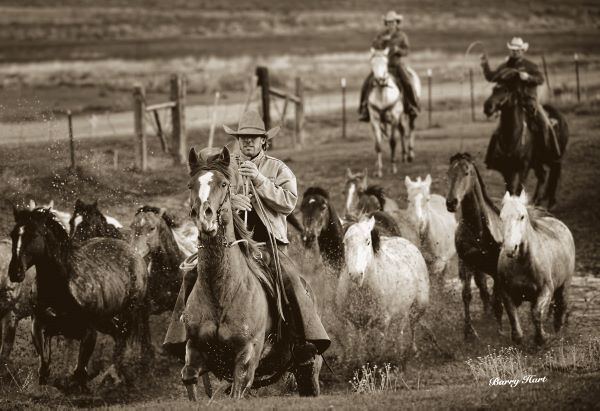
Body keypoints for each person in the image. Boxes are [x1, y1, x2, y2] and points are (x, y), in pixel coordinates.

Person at [163, 110, 330, 377]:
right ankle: (180, 337)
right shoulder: (226, 166)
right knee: (193, 273)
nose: (247, 142)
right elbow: (210, 191)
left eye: (253, 138)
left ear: (264, 141)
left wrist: (260, 181)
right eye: (243, 138)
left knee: (288, 278)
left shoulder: (278, 169)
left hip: (269, 245)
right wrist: (230, 202)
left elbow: (289, 203)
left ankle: (303, 343)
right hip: (230, 243)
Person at [482, 37, 558, 169]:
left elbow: (540, 80)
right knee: (497, 131)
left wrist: (528, 77)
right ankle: (491, 160)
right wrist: (485, 65)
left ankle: (551, 154)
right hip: (511, 104)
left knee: (545, 124)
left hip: (530, 102)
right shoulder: (505, 66)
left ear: (522, 51)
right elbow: (492, 77)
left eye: (517, 50)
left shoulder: (530, 66)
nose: (514, 52)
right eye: (512, 50)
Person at [358, 10, 420, 121]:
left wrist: (398, 50)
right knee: (366, 84)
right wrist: (381, 42)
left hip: (396, 65)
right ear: (386, 23)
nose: (391, 24)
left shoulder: (401, 36)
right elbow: (374, 47)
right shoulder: (381, 35)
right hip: (381, 67)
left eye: (393, 22)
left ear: (397, 23)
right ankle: (364, 109)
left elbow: (406, 51)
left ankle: (412, 106)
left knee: (407, 82)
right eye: (388, 22)